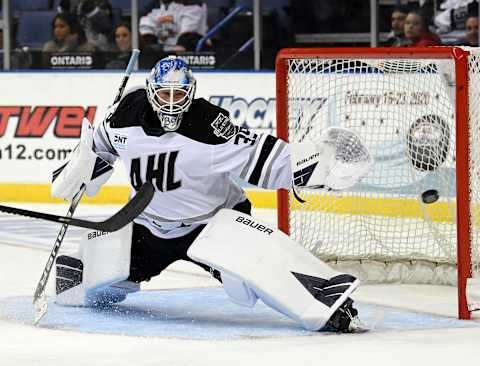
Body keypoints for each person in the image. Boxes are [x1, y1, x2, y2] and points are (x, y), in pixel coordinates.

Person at [51, 56, 373, 333]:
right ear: (151, 93)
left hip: (211, 226)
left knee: (254, 276)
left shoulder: (209, 127)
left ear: (191, 94)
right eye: (165, 93)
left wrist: (314, 166)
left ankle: (328, 303)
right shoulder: (122, 119)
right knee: (81, 287)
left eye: (180, 95)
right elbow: (100, 148)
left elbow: (259, 155)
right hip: (150, 229)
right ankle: (89, 272)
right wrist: (80, 171)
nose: (172, 102)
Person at [139, 0, 207, 51]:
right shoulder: (151, 8)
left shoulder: (193, 4)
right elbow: (147, 35)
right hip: (160, 55)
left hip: (189, 54)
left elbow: (186, 38)